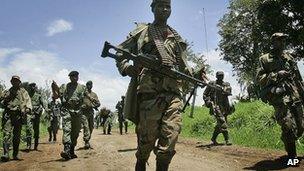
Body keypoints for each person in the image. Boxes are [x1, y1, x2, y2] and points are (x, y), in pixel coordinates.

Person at [115, 0, 191, 170]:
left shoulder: (177, 38)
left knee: (170, 140)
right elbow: (120, 52)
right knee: (146, 143)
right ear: (152, 8)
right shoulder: (142, 32)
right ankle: (141, 161)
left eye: (168, 6)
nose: (165, 9)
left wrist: (196, 73)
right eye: (160, 6)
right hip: (149, 94)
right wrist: (127, 68)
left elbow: (184, 66)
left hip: (173, 94)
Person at [257, 33, 304, 159]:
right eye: (279, 40)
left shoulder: (289, 57)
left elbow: (298, 77)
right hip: (279, 98)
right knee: (288, 125)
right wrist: (277, 74)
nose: (283, 42)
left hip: (295, 95)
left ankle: (289, 142)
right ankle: (292, 158)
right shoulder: (265, 59)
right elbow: (259, 79)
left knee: (301, 127)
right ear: (273, 42)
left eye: (284, 40)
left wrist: (302, 93)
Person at [0, 76, 32, 161]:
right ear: (11, 82)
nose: (15, 82)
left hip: (18, 116)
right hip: (8, 115)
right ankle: (6, 154)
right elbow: (1, 104)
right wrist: (4, 100)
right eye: (13, 81)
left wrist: (27, 109)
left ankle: (15, 154)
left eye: (16, 81)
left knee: (16, 137)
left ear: (19, 82)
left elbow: (28, 102)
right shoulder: (7, 92)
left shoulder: (23, 92)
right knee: (6, 134)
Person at [58, 71, 86, 160]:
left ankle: (71, 150)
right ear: (69, 78)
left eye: (76, 76)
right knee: (67, 129)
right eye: (72, 76)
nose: (74, 78)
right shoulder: (65, 87)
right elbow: (58, 95)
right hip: (67, 111)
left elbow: (85, 99)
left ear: (78, 77)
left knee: (76, 132)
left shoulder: (82, 87)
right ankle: (66, 150)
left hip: (78, 112)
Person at [203, 71, 233, 146]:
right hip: (215, 105)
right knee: (222, 121)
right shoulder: (211, 84)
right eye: (219, 75)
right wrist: (208, 101)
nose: (221, 77)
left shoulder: (226, 84)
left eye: (222, 75)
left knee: (221, 123)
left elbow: (229, 92)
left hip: (225, 106)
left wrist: (223, 89)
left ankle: (213, 138)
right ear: (216, 76)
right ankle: (227, 140)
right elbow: (205, 94)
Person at [25, 82, 45, 151]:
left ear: (35, 87)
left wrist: (47, 109)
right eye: (31, 86)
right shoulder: (27, 96)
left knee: (36, 130)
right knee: (28, 129)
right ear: (29, 87)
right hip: (29, 114)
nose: (32, 87)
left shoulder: (38, 95)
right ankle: (28, 145)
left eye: (33, 86)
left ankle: (36, 145)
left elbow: (43, 103)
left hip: (36, 114)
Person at [81, 81, 100, 149]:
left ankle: (88, 139)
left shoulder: (94, 94)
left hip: (91, 112)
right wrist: (82, 105)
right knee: (86, 126)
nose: (90, 86)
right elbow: (78, 101)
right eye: (88, 84)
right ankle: (86, 141)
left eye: (91, 84)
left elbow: (98, 103)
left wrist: (93, 105)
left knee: (91, 127)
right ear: (86, 85)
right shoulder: (83, 94)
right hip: (83, 113)